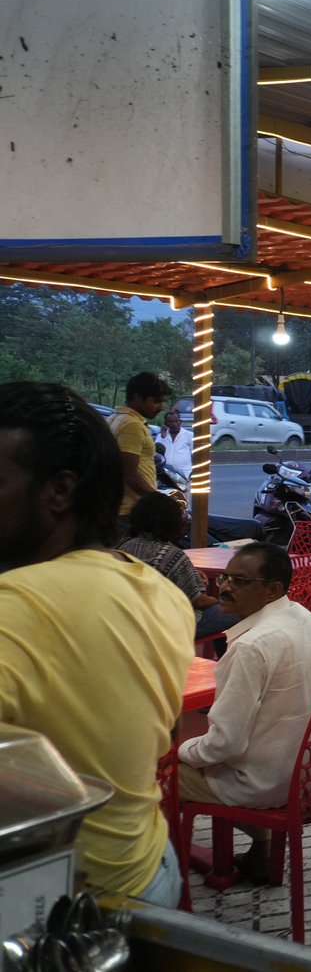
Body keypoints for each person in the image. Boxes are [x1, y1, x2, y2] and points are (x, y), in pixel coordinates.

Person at [0, 382, 192, 904]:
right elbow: (167, 734)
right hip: (152, 865)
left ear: (60, 492)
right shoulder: (162, 590)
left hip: (69, 899)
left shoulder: (17, 605)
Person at [176, 542, 311, 881]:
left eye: (240, 581)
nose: (226, 587)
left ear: (273, 589)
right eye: (225, 578)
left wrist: (180, 751)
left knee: (155, 774)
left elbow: (224, 745)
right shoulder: (306, 619)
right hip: (306, 774)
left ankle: (161, 874)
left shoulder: (250, 646)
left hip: (261, 784)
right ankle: (262, 851)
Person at [118, 491, 231, 641]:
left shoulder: (123, 546)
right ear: (171, 522)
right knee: (234, 611)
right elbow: (200, 601)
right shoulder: (172, 554)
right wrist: (222, 601)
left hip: (130, 621)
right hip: (167, 626)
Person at [107, 371, 172, 536]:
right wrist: (159, 501)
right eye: (156, 401)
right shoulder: (132, 426)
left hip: (118, 508)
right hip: (129, 511)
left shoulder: (115, 418)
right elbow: (129, 475)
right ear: (137, 398)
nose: (161, 407)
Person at [158, 408, 194, 477]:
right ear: (166, 423)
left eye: (176, 421)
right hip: (165, 474)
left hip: (185, 474)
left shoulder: (189, 435)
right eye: (170, 422)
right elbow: (157, 453)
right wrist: (162, 438)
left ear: (180, 421)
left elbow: (195, 454)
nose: (174, 424)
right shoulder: (161, 436)